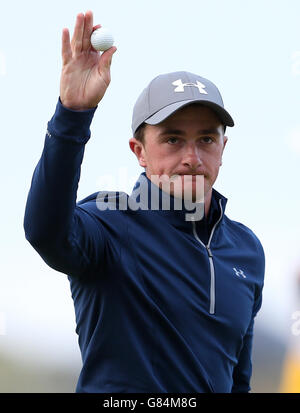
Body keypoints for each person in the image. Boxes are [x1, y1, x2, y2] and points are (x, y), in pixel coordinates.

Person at [23, 10, 265, 393]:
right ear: (139, 151)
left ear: (223, 148)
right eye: (172, 139)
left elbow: (238, 382)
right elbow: (44, 232)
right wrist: (72, 115)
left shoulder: (246, 249)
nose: (192, 157)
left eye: (206, 139)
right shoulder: (109, 221)